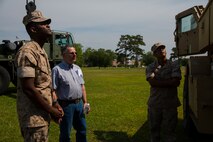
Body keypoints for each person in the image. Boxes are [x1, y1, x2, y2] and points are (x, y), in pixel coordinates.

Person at [15, 10, 64, 142]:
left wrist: (54, 104)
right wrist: (51, 110)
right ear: (33, 29)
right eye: (43, 23)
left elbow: (44, 84)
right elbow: (28, 88)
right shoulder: (27, 52)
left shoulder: (41, 51)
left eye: (47, 23)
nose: (48, 25)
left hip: (42, 116)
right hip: (33, 119)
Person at [52, 46, 90, 142]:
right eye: (71, 53)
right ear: (63, 55)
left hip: (79, 105)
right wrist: (56, 105)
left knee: (82, 130)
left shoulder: (77, 68)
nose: (75, 55)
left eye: (75, 53)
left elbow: (82, 86)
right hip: (66, 106)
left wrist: (85, 102)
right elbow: (53, 90)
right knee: (66, 134)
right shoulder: (57, 70)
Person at [145, 42, 182, 142]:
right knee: (154, 130)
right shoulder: (151, 67)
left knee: (170, 132)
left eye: (163, 48)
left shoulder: (174, 65)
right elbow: (152, 82)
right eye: (158, 49)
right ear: (154, 54)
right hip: (155, 103)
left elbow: (176, 82)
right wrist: (169, 82)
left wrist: (158, 82)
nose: (161, 50)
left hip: (170, 103)